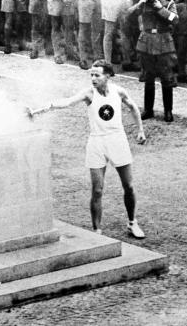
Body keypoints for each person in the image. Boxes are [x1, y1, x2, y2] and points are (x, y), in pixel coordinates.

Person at [28, 60, 147, 238]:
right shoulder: (88, 94)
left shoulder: (119, 91)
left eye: (97, 75)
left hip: (117, 140)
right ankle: (97, 231)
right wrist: (42, 109)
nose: (93, 78)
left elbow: (133, 108)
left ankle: (132, 223)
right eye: (91, 74)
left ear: (107, 76)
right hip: (96, 143)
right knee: (97, 190)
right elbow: (67, 102)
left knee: (128, 186)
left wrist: (140, 130)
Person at [128, 0, 179, 122]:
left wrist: (161, 9)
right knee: (148, 77)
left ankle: (168, 111)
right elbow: (129, 15)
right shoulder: (144, 3)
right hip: (147, 42)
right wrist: (139, 4)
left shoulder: (168, 4)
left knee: (166, 78)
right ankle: (148, 110)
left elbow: (175, 20)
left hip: (163, 42)